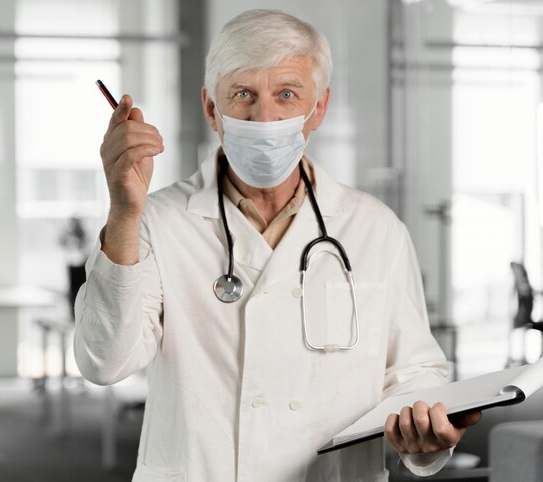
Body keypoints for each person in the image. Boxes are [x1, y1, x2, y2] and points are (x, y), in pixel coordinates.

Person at [74, 9, 481, 481]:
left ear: (319, 109)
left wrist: (425, 429)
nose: (264, 117)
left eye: (287, 95)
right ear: (211, 109)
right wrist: (124, 211)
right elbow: (104, 361)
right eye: (243, 94)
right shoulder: (155, 221)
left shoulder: (375, 227)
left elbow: (413, 370)